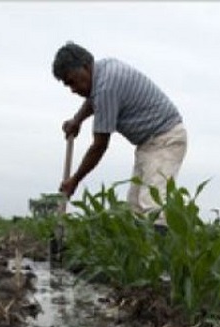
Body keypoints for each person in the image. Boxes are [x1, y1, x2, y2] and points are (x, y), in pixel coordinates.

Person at [52, 42, 188, 218]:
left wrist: (75, 180)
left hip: (165, 139)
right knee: (135, 208)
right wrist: (77, 120)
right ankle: (142, 246)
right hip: (149, 143)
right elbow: (94, 99)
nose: (73, 89)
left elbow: (99, 145)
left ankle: (160, 244)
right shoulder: (103, 71)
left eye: (72, 81)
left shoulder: (106, 87)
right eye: (67, 85)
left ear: (85, 67)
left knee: (153, 206)